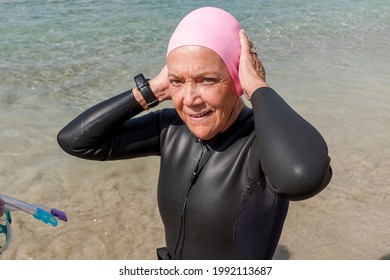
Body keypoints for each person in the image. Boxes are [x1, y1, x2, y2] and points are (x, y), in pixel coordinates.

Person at [57, 7, 332, 260]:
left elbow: (302, 177)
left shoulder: (261, 144)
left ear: (237, 79)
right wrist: (149, 91)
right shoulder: (170, 128)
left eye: (207, 80)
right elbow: (76, 141)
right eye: (177, 81)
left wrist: (257, 87)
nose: (189, 99)